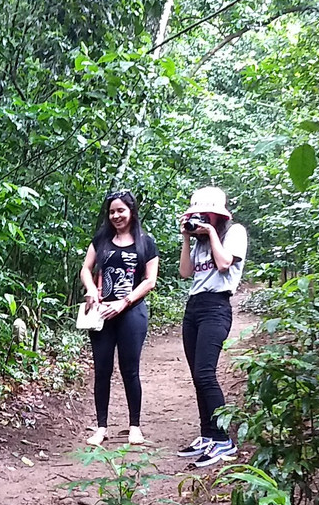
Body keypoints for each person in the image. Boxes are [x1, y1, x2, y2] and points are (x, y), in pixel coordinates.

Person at [79, 190, 160, 447]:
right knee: (102, 370)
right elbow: (85, 268)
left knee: (130, 370)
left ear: (131, 212)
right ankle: (101, 427)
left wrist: (124, 303)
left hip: (131, 313)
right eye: (112, 211)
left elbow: (150, 280)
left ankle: (134, 426)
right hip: (101, 313)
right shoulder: (101, 239)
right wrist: (91, 289)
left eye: (121, 210)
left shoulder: (145, 242)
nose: (116, 215)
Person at [177, 186, 248, 467]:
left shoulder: (234, 233)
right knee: (197, 375)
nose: (200, 218)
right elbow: (185, 272)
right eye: (197, 215)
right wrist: (187, 238)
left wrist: (210, 234)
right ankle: (207, 434)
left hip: (217, 307)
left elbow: (224, 264)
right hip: (194, 307)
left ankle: (223, 440)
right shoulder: (199, 240)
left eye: (205, 214)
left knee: (206, 373)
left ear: (217, 215)